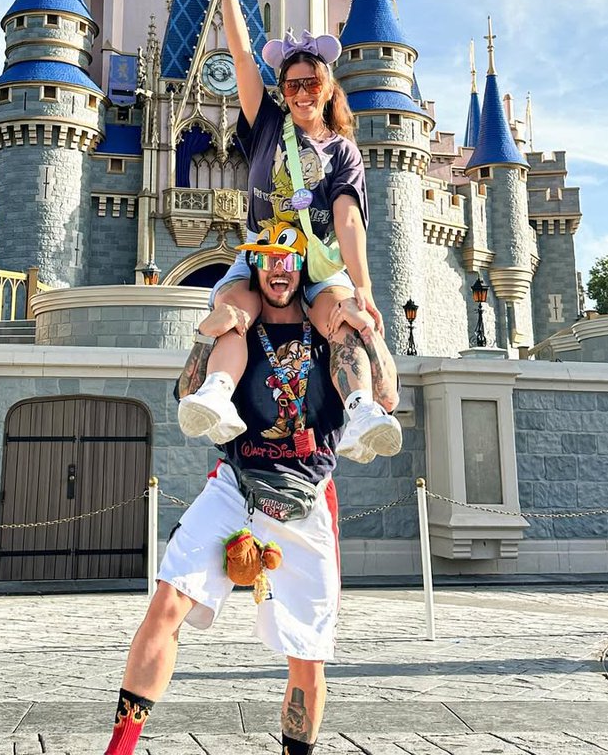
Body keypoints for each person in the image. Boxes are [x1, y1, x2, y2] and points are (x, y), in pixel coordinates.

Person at [102, 226, 399, 755]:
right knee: (165, 604)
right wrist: (206, 330)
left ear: (301, 268)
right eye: (268, 261)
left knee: (307, 655)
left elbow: (389, 395)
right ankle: (118, 750)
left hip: (305, 497)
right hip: (236, 484)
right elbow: (187, 395)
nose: (279, 270)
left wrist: (365, 328)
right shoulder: (237, 330)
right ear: (256, 267)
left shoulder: (331, 331)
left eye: (289, 261)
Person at [178, 0, 400, 463]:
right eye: (293, 84)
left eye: (312, 83)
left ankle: (361, 409)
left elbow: (346, 217)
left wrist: (362, 288)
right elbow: (238, 58)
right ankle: (216, 395)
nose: (302, 93)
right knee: (233, 311)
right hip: (266, 252)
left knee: (344, 319)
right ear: (284, 88)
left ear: (327, 89)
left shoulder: (343, 149)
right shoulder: (268, 127)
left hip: (319, 261)